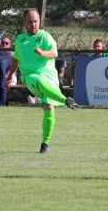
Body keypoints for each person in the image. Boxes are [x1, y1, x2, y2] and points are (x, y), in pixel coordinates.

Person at [6, 8, 79, 153]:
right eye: (30, 22)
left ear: (39, 21)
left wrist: (42, 52)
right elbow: (16, 58)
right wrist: (10, 75)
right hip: (30, 75)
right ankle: (65, 100)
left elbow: (54, 53)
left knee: (48, 108)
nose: (33, 24)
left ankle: (45, 144)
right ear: (24, 23)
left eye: (36, 21)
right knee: (38, 81)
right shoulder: (21, 39)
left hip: (50, 77)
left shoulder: (45, 37)